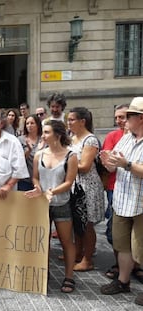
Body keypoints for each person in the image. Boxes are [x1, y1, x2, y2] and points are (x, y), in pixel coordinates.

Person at [25, 120, 78, 293]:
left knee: (66, 242)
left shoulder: (71, 155)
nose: (43, 135)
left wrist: (52, 192)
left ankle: (69, 277)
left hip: (61, 203)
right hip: (42, 204)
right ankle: (43, 273)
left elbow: (69, 182)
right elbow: (35, 177)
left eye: (46, 132)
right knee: (42, 241)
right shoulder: (39, 154)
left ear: (58, 134)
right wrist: (38, 187)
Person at [99, 97, 143, 306]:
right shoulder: (126, 138)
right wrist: (107, 161)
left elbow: (130, 166)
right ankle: (123, 281)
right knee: (122, 244)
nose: (125, 121)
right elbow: (114, 166)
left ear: (140, 119)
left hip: (141, 204)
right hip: (122, 200)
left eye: (129, 117)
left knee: (142, 248)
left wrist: (126, 164)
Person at [68, 107, 105, 271]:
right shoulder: (72, 137)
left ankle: (87, 259)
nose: (68, 123)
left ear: (82, 121)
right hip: (75, 185)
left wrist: (65, 164)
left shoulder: (90, 140)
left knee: (88, 224)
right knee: (77, 222)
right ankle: (77, 252)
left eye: (71, 120)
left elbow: (84, 166)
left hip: (88, 187)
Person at [102, 104, 132, 279]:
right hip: (115, 188)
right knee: (114, 231)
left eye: (122, 117)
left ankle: (134, 266)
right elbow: (109, 165)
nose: (119, 121)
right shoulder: (114, 136)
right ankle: (120, 264)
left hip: (136, 191)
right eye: (117, 117)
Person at [18, 114, 45, 191]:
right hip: (25, 180)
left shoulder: (44, 139)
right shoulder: (20, 140)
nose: (29, 125)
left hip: (42, 179)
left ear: (38, 125)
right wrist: (28, 151)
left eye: (32, 123)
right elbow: (19, 160)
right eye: (27, 123)